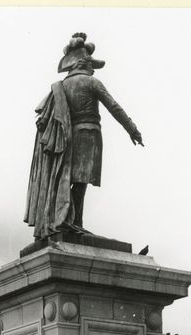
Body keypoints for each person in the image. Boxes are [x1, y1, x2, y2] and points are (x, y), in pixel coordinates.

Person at [25, 32, 143, 238]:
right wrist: (132, 129)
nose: (92, 68)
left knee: (66, 177)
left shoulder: (60, 86)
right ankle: (72, 221)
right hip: (88, 135)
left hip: (66, 137)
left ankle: (68, 220)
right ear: (82, 63)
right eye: (91, 64)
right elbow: (113, 107)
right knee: (80, 181)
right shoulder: (91, 82)